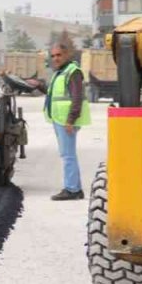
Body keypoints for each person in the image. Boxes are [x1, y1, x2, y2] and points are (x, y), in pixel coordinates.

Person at [29, 43, 89, 200]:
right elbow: (52, 94)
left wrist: (70, 120)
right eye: (53, 55)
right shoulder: (59, 73)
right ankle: (74, 188)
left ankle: (73, 189)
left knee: (68, 155)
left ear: (67, 54)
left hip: (66, 121)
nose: (55, 58)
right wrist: (40, 85)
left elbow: (77, 98)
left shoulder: (73, 72)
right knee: (66, 154)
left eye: (59, 55)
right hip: (58, 119)